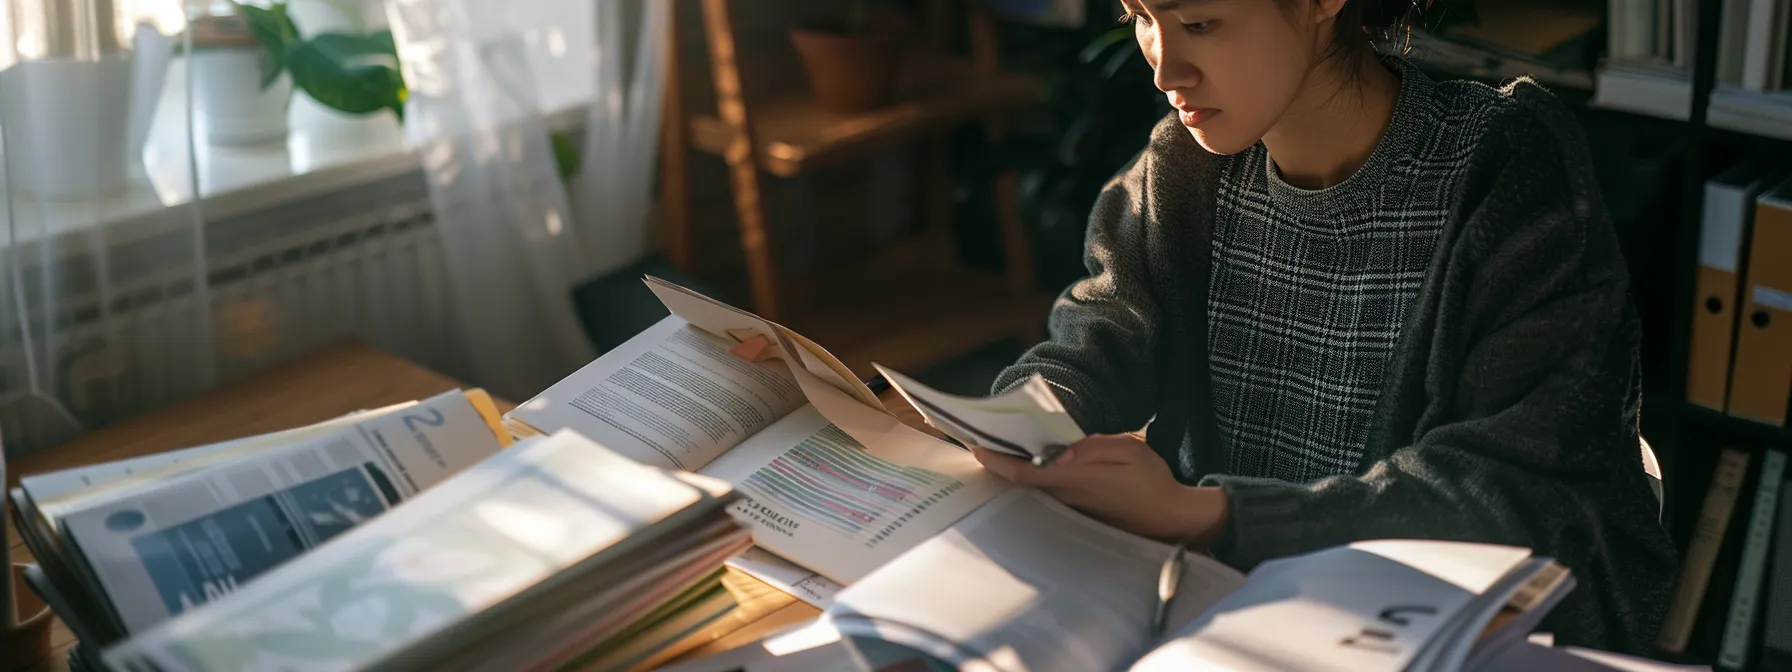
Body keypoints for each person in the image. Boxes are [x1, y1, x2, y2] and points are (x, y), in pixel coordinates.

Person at [969, 0, 1678, 655]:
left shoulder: (1504, 166)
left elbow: (1513, 491)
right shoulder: (1183, 166)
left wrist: (1212, 514)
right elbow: (1102, 333)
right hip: (1229, 616)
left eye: (1199, 21)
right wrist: (1026, 416)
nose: (1163, 67)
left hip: (1454, 632)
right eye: (1140, 16)